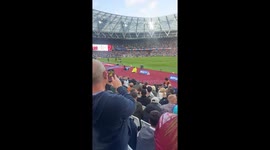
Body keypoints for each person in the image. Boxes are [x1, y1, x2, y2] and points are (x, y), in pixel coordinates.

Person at [92, 59, 136, 150]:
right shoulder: (114, 101)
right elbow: (132, 104)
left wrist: (104, 83)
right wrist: (120, 87)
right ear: (105, 75)